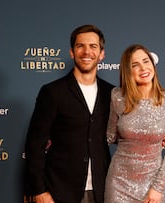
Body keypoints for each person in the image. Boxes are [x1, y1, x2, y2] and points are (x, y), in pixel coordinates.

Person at [24, 24, 114, 203]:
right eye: (80, 46)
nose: (86, 51)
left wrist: (157, 136)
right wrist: (39, 191)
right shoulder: (52, 92)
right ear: (72, 52)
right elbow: (35, 145)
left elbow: (122, 132)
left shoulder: (111, 93)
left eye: (93, 46)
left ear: (102, 54)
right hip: (60, 191)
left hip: (103, 190)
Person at [104, 44, 165, 203]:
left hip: (152, 185)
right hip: (118, 182)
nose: (143, 68)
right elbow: (110, 136)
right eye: (135, 65)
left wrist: (157, 188)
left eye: (146, 61)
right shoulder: (118, 97)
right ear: (128, 72)